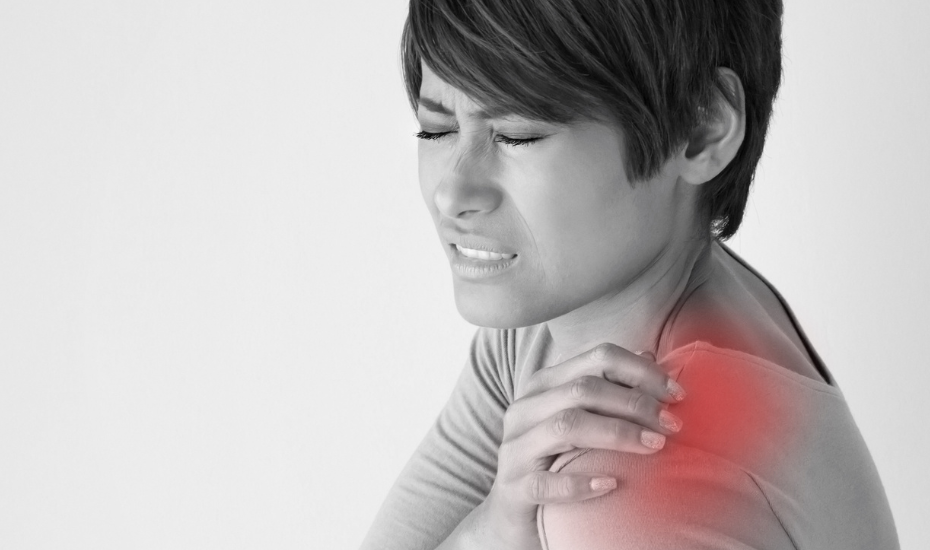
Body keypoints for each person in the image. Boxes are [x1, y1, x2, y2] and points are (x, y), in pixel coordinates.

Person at [359, 0, 900, 549]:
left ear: (700, 129)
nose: (452, 192)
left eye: (516, 134)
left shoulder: (625, 482)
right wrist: (493, 528)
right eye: (435, 129)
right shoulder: (553, 326)